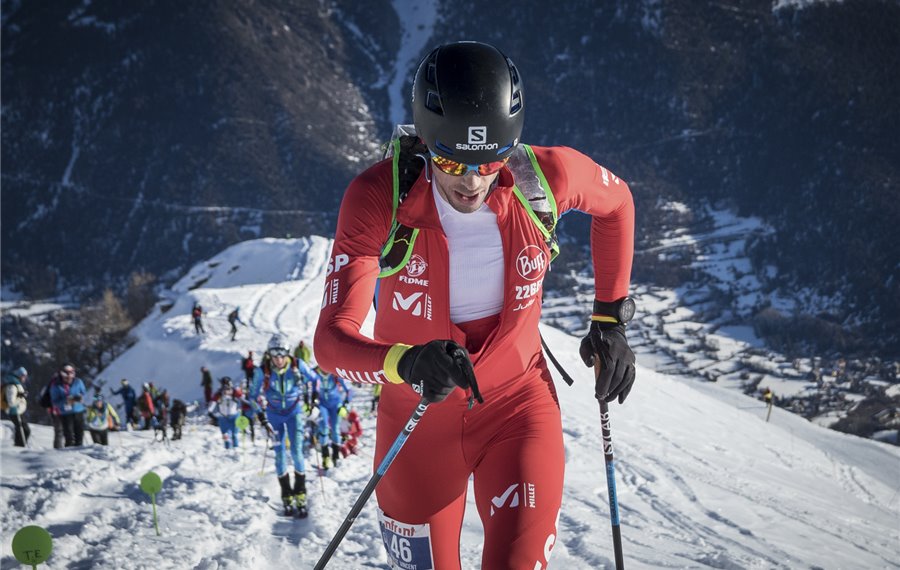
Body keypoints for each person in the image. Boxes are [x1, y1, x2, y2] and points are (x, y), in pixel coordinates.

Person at [314, 41, 636, 569]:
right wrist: (405, 361)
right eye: (450, 160)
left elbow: (617, 203)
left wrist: (610, 319)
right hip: (415, 423)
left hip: (517, 409)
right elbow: (330, 343)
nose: (472, 180)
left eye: (490, 161)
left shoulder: (544, 179)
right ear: (425, 139)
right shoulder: (379, 198)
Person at [248, 334, 320, 518]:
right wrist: (262, 419)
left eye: (282, 355)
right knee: (279, 455)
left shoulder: (297, 365)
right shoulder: (262, 371)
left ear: (288, 353)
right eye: (275, 355)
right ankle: (287, 496)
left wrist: (313, 402)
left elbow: (315, 379)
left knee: (296, 452)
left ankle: (301, 495)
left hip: (294, 412)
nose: (279, 359)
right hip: (273, 416)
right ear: (269, 355)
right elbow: (252, 396)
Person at [313, 370, 351, 469]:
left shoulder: (335, 373)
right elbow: (308, 387)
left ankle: (336, 456)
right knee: (324, 427)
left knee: (335, 428)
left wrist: (345, 405)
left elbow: (349, 390)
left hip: (335, 404)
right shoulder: (315, 373)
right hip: (322, 404)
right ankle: (325, 457)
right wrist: (310, 403)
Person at [50, 364, 88, 447]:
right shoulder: (56, 385)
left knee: (79, 434)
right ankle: (69, 455)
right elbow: (54, 402)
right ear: (62, 374)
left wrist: (80, 397)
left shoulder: (78, 382)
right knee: (69, 436)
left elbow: (84, 393)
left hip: (78, 411)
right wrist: (66, 400)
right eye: (66, 375)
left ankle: (80, 453)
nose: (68, 378)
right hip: (65, 413)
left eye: (71, 374)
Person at [208, 377, 243, 449]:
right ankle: (227, 450)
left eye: (228, 388)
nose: (226, 390)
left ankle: (236, 450)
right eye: (224, 388)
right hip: (223, 418)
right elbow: (213, 403)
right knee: (226, 435)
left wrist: (246, 408)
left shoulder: (235, 392)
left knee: (235, 434)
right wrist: (210, 412)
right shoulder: (218, 394)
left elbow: (243, 399)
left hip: (235, 416)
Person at [2, 366, 31, 447]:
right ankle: (20, 446)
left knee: (22, 429)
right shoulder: (12, 386)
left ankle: (19, 445)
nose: (25, 378)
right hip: (14, 411)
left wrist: (21, 395)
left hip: (18, 411)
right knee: (23, 430)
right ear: (19, 375)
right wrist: (21, 396)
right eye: (24, 376)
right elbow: (11, 402)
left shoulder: (16, 383)